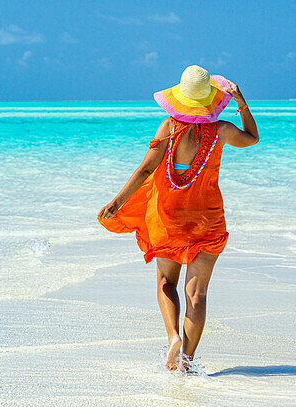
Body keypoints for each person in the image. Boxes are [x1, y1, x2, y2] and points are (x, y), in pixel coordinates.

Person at [98, 65, 259, 371]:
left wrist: (116, 203)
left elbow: (145, 170)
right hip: (208, 220)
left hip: (169, 217)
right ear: (210, 99)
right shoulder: (221, 131)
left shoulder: (169, 128)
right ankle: (187, 362)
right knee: (196, 294)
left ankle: (173, 337)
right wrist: (240, 101)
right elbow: (252, 137)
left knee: (165, 281)